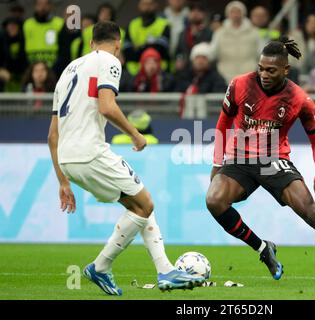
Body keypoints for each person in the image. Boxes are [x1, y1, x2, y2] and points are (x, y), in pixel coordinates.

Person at [47, 21, 204, 295]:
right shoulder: (109, 60)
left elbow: (52, 135)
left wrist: (63, 181)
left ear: (90, 42)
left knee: (140, 203)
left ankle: (165, 270)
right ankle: (101, 266)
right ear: (118, 44)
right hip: (90, 152)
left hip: (67, 159)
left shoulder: (67, 71)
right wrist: (135, 134)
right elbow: (107, 107)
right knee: (145, 203)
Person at [206, 36, 315, 288]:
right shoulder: (239, 85)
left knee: (312, 214)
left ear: (286, 69)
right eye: (261, 68)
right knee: (214, 200)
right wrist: (217, 166)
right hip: (239, 159)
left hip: (274, 160)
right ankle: (263, 249)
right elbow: (222, 124)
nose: (264, 74)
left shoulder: (299, 98)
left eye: (271, 70)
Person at [210, 1, 261, 82]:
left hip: (249, 75)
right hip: (225, 75)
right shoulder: (219, 33)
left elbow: (260, 53)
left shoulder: (254, 32)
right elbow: (213, 52)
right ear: (228, 14)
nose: (235, 14)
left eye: (238, 11)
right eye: (232, 12)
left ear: (243, 13)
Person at [124, 0, 171, 76]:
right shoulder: (132, 24)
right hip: (133, 73)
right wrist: (149, 46)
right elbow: (127, 52)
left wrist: (137, 48)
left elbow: (160, 49)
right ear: (139, 5)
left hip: (158, 73)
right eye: (144, 4)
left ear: (156, 5)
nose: (147, 7)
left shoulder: (164, 25)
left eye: (150, 4)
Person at [23, 0, 64, 68]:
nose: (42, 7)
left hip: (55, 67)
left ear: (50, 6)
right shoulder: (27, 24)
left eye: (46, 4)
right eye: (39, 4)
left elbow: (64, 49)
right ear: (35, 6)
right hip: (31, 67)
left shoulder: (59, 23)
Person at [174, 3, 213, 73]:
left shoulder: (209, 33)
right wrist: (179, 60)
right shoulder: (182, 34)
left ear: (204, 14)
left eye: (199, 11)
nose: (195, 13)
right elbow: (178, 51)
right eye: (192, 11)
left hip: (203, 72)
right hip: (185, 72)